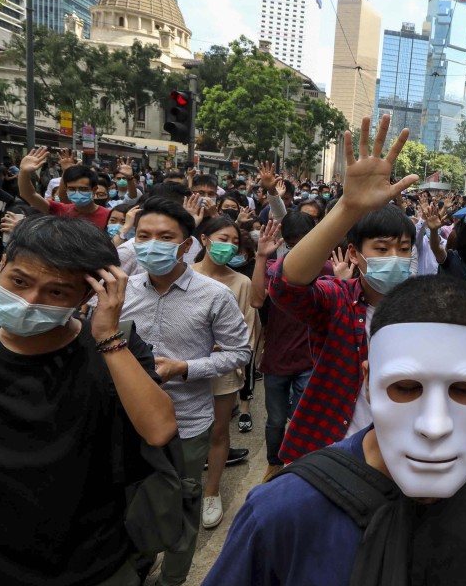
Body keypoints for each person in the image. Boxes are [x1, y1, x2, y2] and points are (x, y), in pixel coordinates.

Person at [202, 275, 466, 586]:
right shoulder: (283, 513)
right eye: (406, 388)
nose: (434, 426)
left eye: (465, 390)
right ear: (368, 382)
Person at [0, 215, 176, 585]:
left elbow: (159, 429)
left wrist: (108, 334)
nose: (30, 301)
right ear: (1, 266)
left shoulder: (114, 350)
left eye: (56, 292)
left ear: (87, 295)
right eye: (19, 281)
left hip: (98, 564)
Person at [272, 115, 419, 463]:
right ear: (354, 253)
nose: (395, 258)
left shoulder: (427, 310)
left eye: (403, 249)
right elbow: (286, 285)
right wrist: (347, 207)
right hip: (334, 451)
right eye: (382, 250)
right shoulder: (337, 299)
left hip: (404, 451)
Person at [120, 197, 251, 586]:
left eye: (164, 237)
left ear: (185, 244)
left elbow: (239, 352)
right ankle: (138, 565)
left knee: (183, 503)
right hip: (129, 419)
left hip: (187, 423)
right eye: (143, 236)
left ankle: (172, 579)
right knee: (134, 500)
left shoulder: (214, 295)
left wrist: (186, 368)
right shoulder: (122, 290)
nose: (151, 245)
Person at [192, 215, 260, 529]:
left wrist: (223, 351)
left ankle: (211, 492)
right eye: (223, 238)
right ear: (204, 239)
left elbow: (245, 333)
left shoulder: (241, 283)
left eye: (234, 241)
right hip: (183, 371)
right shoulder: (185, 275)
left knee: (219, 432)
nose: (229, 246)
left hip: (223, 371)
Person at [251, 214, 320, 483]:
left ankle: (303, 464)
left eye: (304, 243)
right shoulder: (272, 268)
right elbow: (257, 300)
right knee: (276, 420)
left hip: (309, 360)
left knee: (303, 415)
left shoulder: (327, 269)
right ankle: (274, 463)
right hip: (277, 360)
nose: (299, 251)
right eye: (293, 245)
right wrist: (260, 257)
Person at [18, 148, 111, 229]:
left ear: (94, 190)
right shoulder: (61, 210)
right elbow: (29, 195)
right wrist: (24, 172)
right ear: (66, 190)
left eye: (83, 189)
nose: (77, 193)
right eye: (72, 189)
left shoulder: (109, 216)